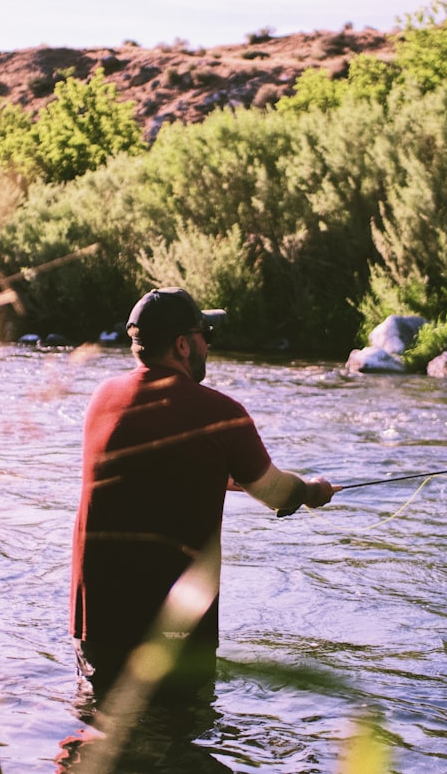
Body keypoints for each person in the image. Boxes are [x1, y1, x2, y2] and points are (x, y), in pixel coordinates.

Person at [69, 287, 337, 702]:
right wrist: (311, 490)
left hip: (98, 623)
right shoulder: (219, 412)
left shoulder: (103, 398)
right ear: (182, 344)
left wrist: (224, 477)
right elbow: (277, 493)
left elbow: (152, 470)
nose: (208, 344)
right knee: (181, 742)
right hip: (175, 630)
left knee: (100, 736)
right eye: (204, 334)